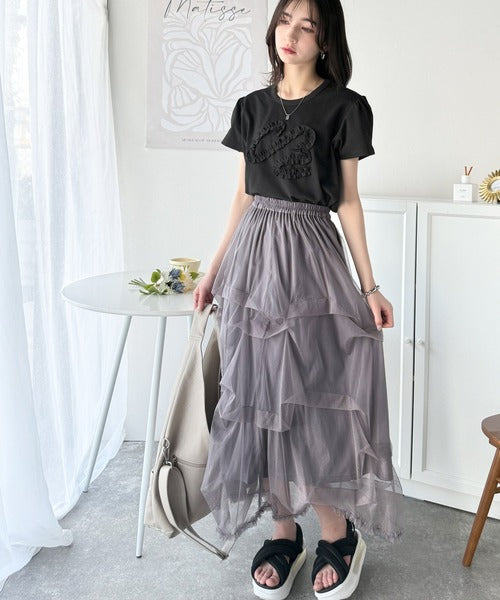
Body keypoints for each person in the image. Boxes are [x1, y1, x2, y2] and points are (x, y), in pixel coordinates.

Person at [193, 0, 404, 598]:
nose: (291, 34)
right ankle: (284, 533)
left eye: (307, 26)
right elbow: (241, 196)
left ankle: (338, 533)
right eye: (285, 20)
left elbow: (349, 202)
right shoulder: (250, 107)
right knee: (260, 397)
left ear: (326, 40)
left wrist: (368, 285)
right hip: (253, 264)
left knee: (312, 397)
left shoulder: (346, 107)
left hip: (311, 259)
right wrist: (214, 269)